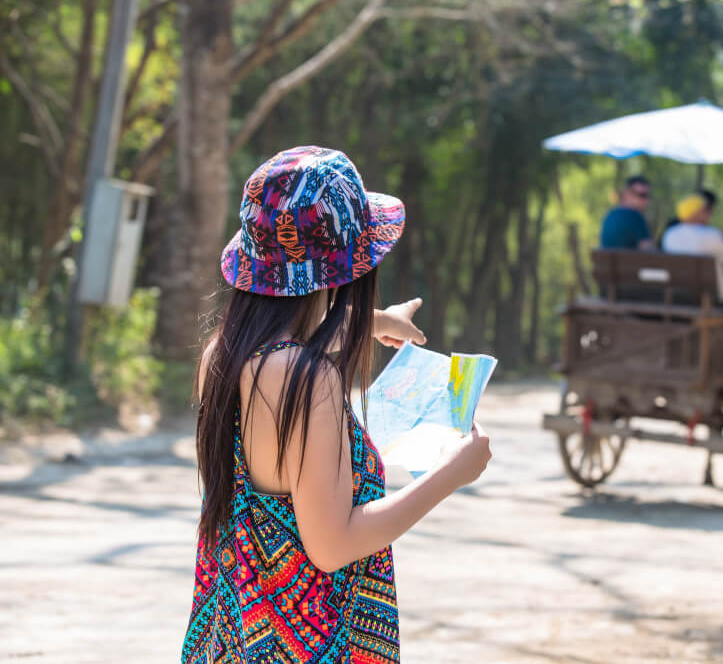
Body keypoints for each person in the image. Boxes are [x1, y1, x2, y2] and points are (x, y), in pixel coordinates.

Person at [182, 146, 492, 663]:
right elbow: (332, 546)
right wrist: (449, 474)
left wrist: (374, 321)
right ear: (349, 267)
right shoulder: (310, 381)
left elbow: (288, 340)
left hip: (233, 640)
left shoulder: (224, 355)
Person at [661, 191, 723, 304]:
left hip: (679, 293)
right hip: (713, 297)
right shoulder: (711, 234)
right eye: (705, 210)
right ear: (697, 212)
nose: (709, 213)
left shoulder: (669, 234)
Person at [599, 174, 655, 250]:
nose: (646, 200)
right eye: (642, 195)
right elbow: (649, 251)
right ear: (627, 194)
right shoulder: (635, 217)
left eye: (648, 196)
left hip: (608, 261)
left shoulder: (609, 215)